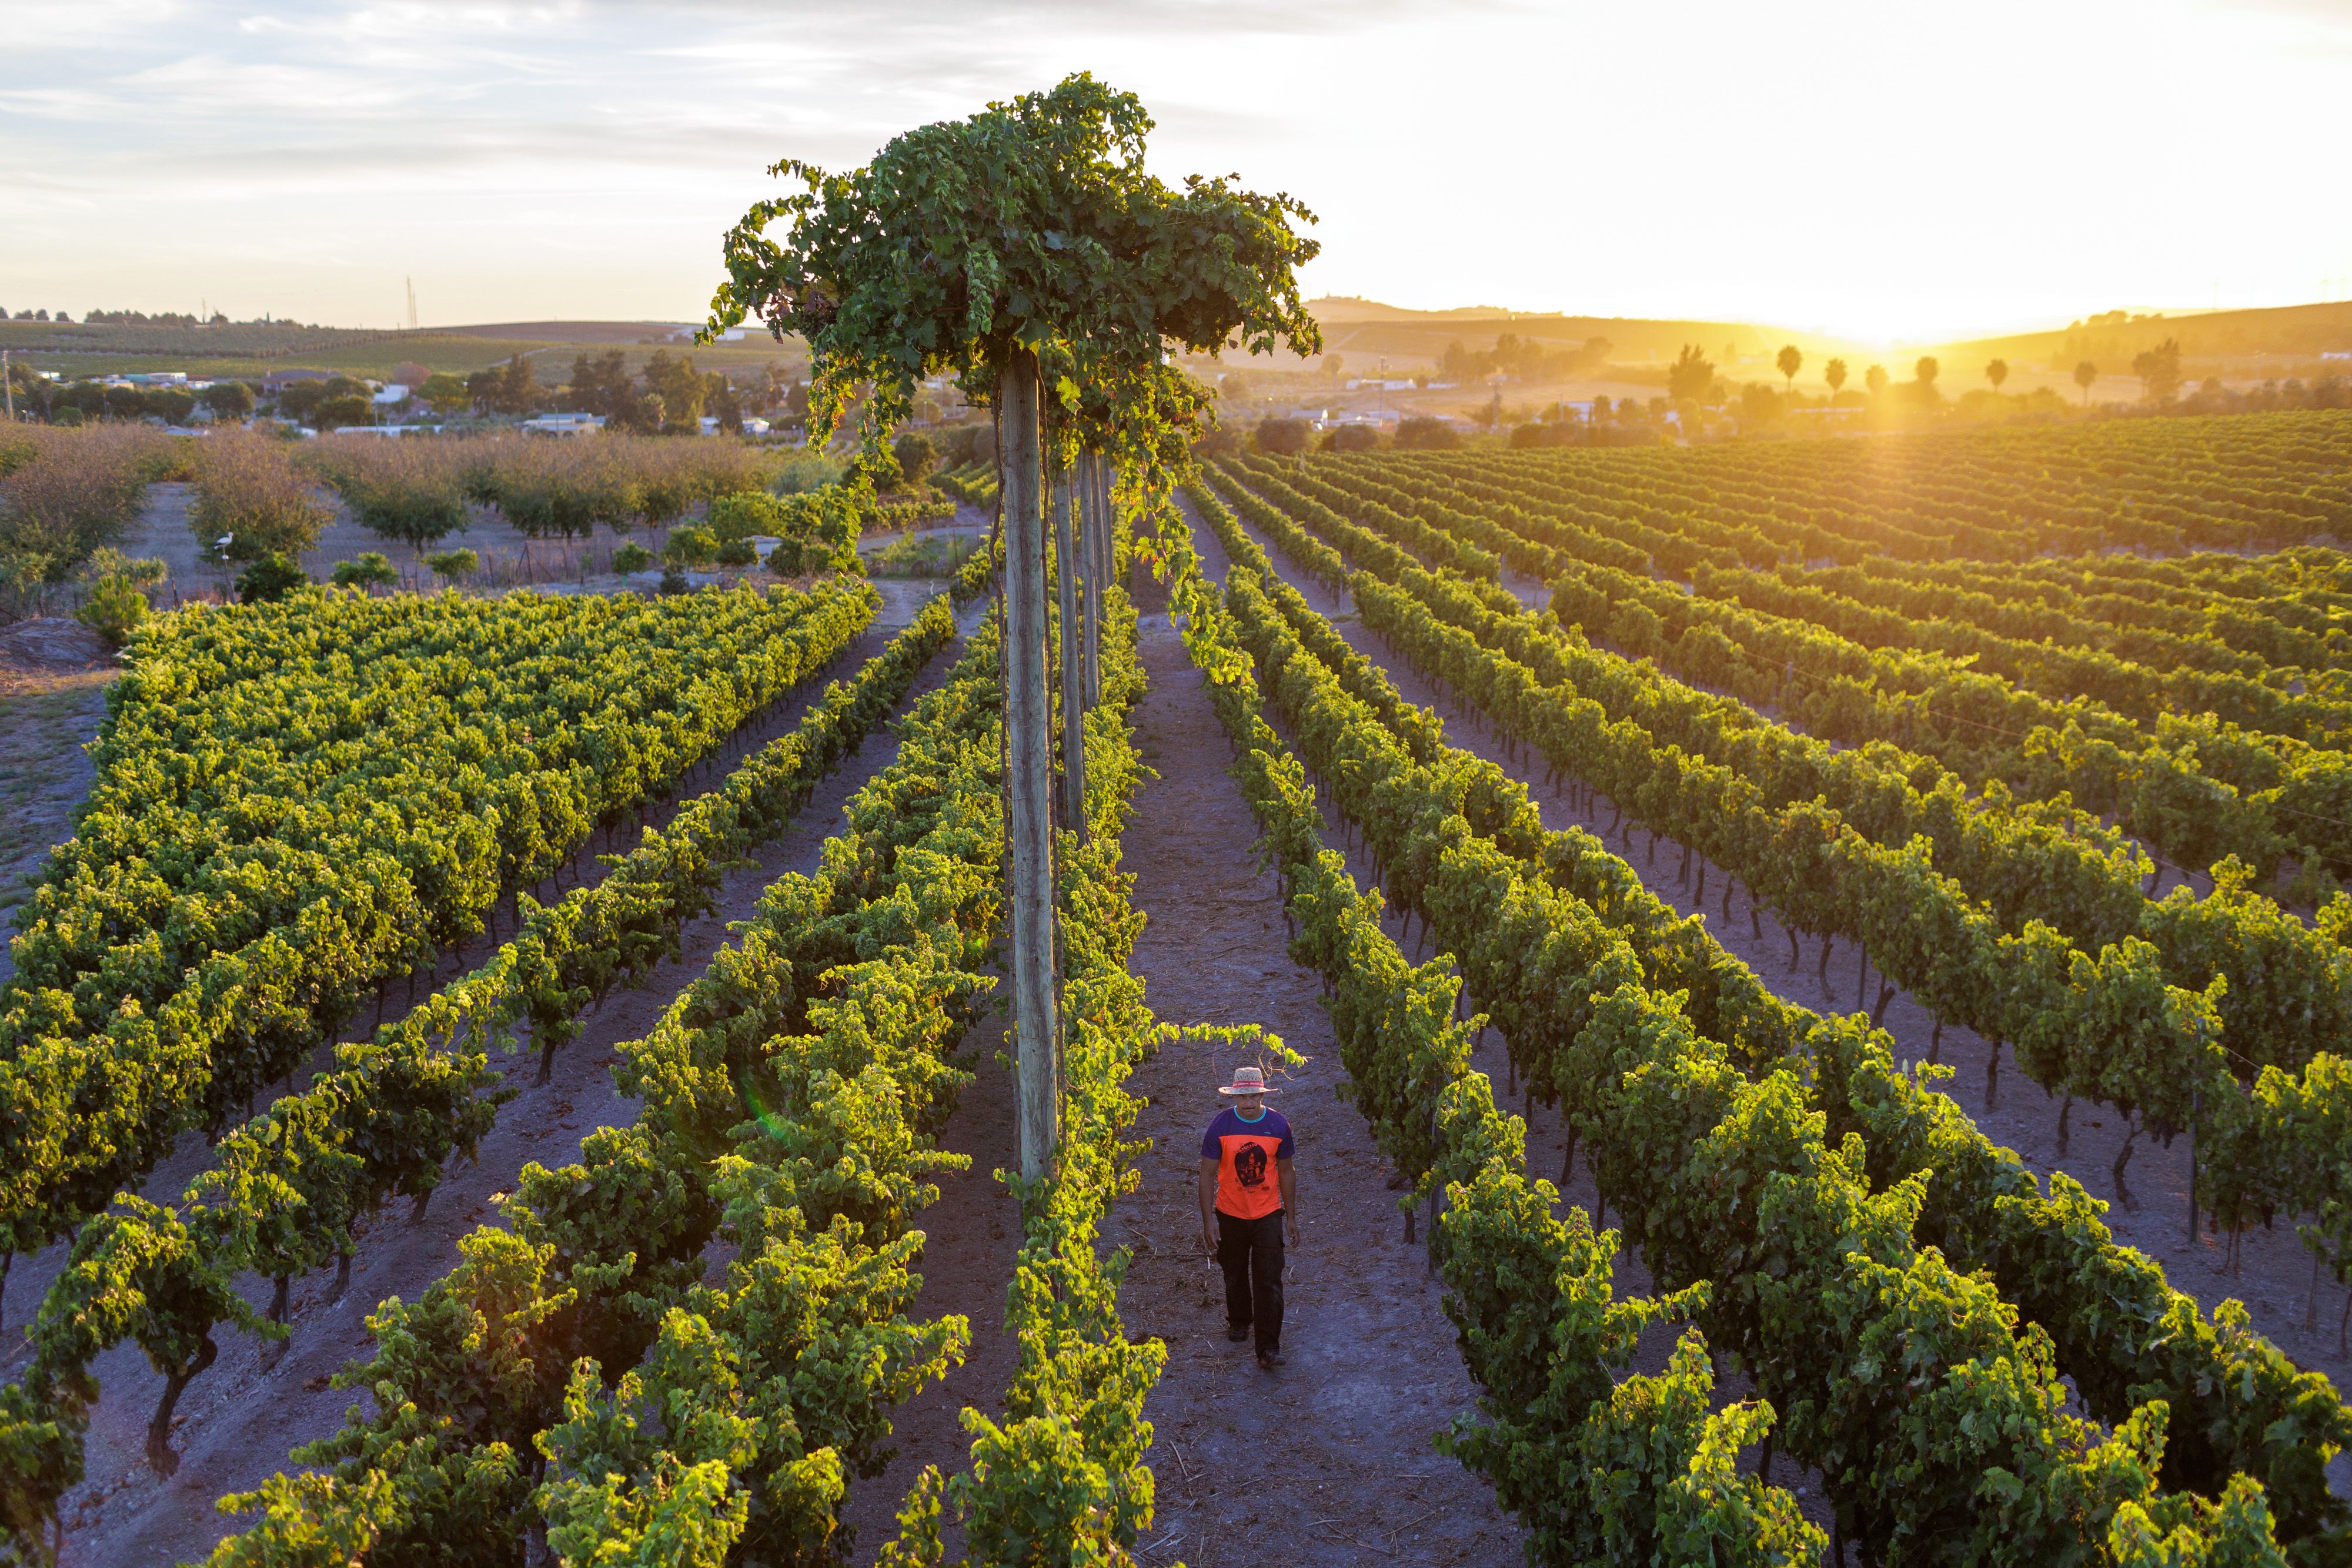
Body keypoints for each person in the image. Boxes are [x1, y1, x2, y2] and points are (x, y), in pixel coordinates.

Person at [1198, 1064, 1300, 1370]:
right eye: (1243, 1098)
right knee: (1234, 1271)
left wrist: (1291, 1217)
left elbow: (1286, 1172)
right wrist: (1208, 1221)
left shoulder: (1280, 1126)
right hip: (1230, 1213)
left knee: (1269, 1280)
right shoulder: (1220, 1127)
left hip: (1268, 1213)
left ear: (1261, 1095)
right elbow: (1206, 1176)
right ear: (1234, 1097)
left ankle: (1268, 1347)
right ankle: (1240, 1320)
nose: (1248, 1103)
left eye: (1253, 1096)